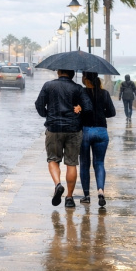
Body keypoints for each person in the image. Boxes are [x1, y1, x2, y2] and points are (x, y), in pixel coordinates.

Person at [35, 69, 93, 208]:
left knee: (53, 159)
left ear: (59, 72)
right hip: (73, 129)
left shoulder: (48, 85)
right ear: (72, 74)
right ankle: (69, 198)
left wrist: (47, 115)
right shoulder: (78, 88)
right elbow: (89, 107)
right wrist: (80, 108)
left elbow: (39, 105)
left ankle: (58, 185)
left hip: (54, 128)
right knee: (71, 163)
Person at [78, 71, 116, 207]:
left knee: (84, 164)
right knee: (99, 163)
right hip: (101, 131)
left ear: (85, 79)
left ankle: (87, 196)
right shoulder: (104, 93)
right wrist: (100, 113)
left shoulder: (81, 93)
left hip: (85, 131)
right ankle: (100, 191)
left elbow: (76, 111)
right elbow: (112, 112)